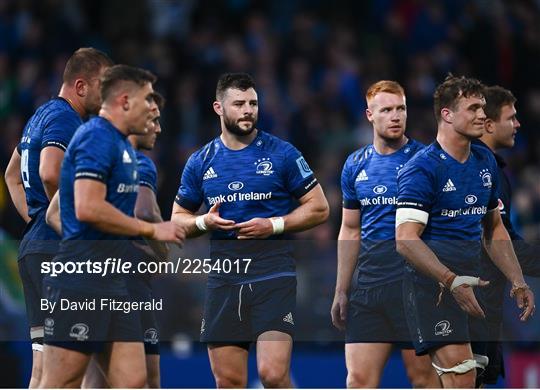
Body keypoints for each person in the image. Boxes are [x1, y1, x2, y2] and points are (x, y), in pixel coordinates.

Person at [171, 72, 329, 387]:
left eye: (253, 103)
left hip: (273, 274)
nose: (248, 110)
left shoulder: (282, 153)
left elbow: (319, 207)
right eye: (239, 103)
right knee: (228, 380)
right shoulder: (201, 161)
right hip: (224, 278)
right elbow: (176, 219)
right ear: (218, 108)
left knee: (272, 374)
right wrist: (204, 222)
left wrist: (273, 225)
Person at [39, 65, 184, 388]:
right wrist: (148, 230)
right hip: (80, 285)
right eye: (147, 99)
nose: (152, 107)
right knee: (61, 383)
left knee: (133, 382)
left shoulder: (123, 150)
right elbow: (87, 207)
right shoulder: (95, 138)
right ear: (124, 101)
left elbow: (62, 212)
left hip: (114, 285)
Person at [395, 75, 535, 388]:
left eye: (483, 108)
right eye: (473, 108)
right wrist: (450, 280)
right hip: (434, 290)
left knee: (473, 381)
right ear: (447, 114)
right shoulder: (422, 168)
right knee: (462, 376)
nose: (482, 115)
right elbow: (405, 240)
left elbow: (494, 228)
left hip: (475, 286)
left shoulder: (485, 161)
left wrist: (517, 279)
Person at [3, 47, 113, 388]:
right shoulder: (66, 119)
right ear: (81, 86)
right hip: (58, 254)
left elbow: (11, 176)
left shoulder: (40, 116)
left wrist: (37, 220)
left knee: (43, 369)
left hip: (35, 249)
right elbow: (50, 172)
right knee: (69, 371)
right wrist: (69, 227)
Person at [331, 80, 439, 388]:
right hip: (368, 289)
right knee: (358, 380)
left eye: (401, 109)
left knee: (422, 379)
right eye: (387, 110)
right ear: (369, 115)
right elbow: (350, 229)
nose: (396, 116)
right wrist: (341, 289)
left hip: (415, 289)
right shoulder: (354, 164)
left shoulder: (426, 161)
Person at [79, 93, 167, 389]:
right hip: (128, 279)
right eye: (153, 121)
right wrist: (163, 247)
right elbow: (146, 210)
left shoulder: (95, 154)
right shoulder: (139, 163)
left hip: (89, 274)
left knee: (92, 376)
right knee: (146, 378)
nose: (158, 128)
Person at [472, 85, 540, 386]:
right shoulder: (482, 170)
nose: (518, 124)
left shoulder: (492, 167)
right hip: (472, 305)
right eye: (511, 117)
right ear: (488, 124)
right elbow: (499, 239)